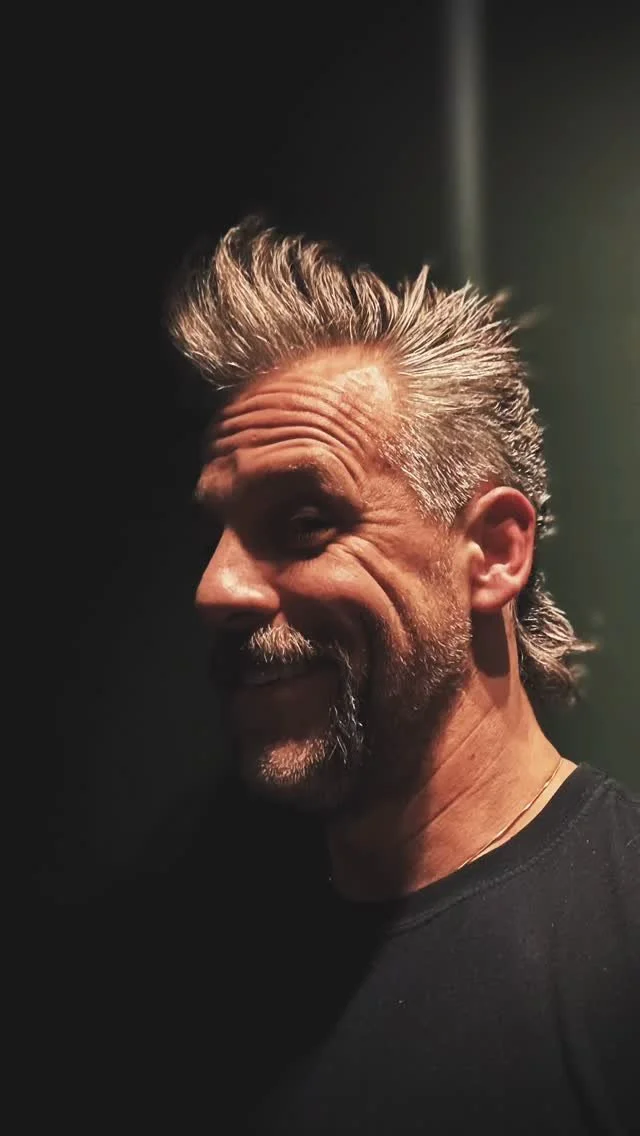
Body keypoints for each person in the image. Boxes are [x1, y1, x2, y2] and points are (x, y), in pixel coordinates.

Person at [160, 220, 638, 1134]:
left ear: (493, 553)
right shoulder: (185, 968)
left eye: (306, 522)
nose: (216, 589)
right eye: (217, 534)